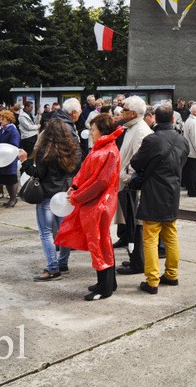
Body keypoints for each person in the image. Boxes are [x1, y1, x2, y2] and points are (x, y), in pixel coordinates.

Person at [56, 114, 122, 299]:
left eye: (93, 130)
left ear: (102, 130)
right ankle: (106, 282)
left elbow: (101, 182)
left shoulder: (108, 151)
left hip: (100, 203)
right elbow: (84, 172)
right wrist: (75, 186)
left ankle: (105, 288)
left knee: (100, 242)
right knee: (100, 242)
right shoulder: (100, 148)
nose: (90, 133)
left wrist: (78, 195)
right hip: (93, 202)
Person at [130, 104, 189, 294]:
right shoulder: (181, 140)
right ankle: (171, 275)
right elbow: (183, 162)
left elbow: (136, 162)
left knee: (150, 237)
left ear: (155, 118)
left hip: (154, 191)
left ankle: (152, 280)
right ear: (173, 119)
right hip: (172, 191)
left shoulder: (152, 139)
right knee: (170, 235)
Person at [116, 96, 153, 274]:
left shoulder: (140, 131)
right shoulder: (132, 128)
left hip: (132, 186)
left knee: (136, 224)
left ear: (133, 113)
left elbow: (138, 161)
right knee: (130, 224)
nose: (121, 111)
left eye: (124, 109)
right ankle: (134, 259)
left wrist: (127, 176)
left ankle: (138, 263)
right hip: (126, 183)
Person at [0, 110, 21, 207]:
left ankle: (13, 199)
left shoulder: (13, 131)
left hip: (9, 159)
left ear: (9, 120)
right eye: (0, 119)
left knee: (11, 179)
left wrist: (1, 147)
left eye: (3, 119)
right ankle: (11, 198)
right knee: (6, 180)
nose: (0, 121)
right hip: (2, 158)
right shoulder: (2, 130)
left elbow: (14, 145)